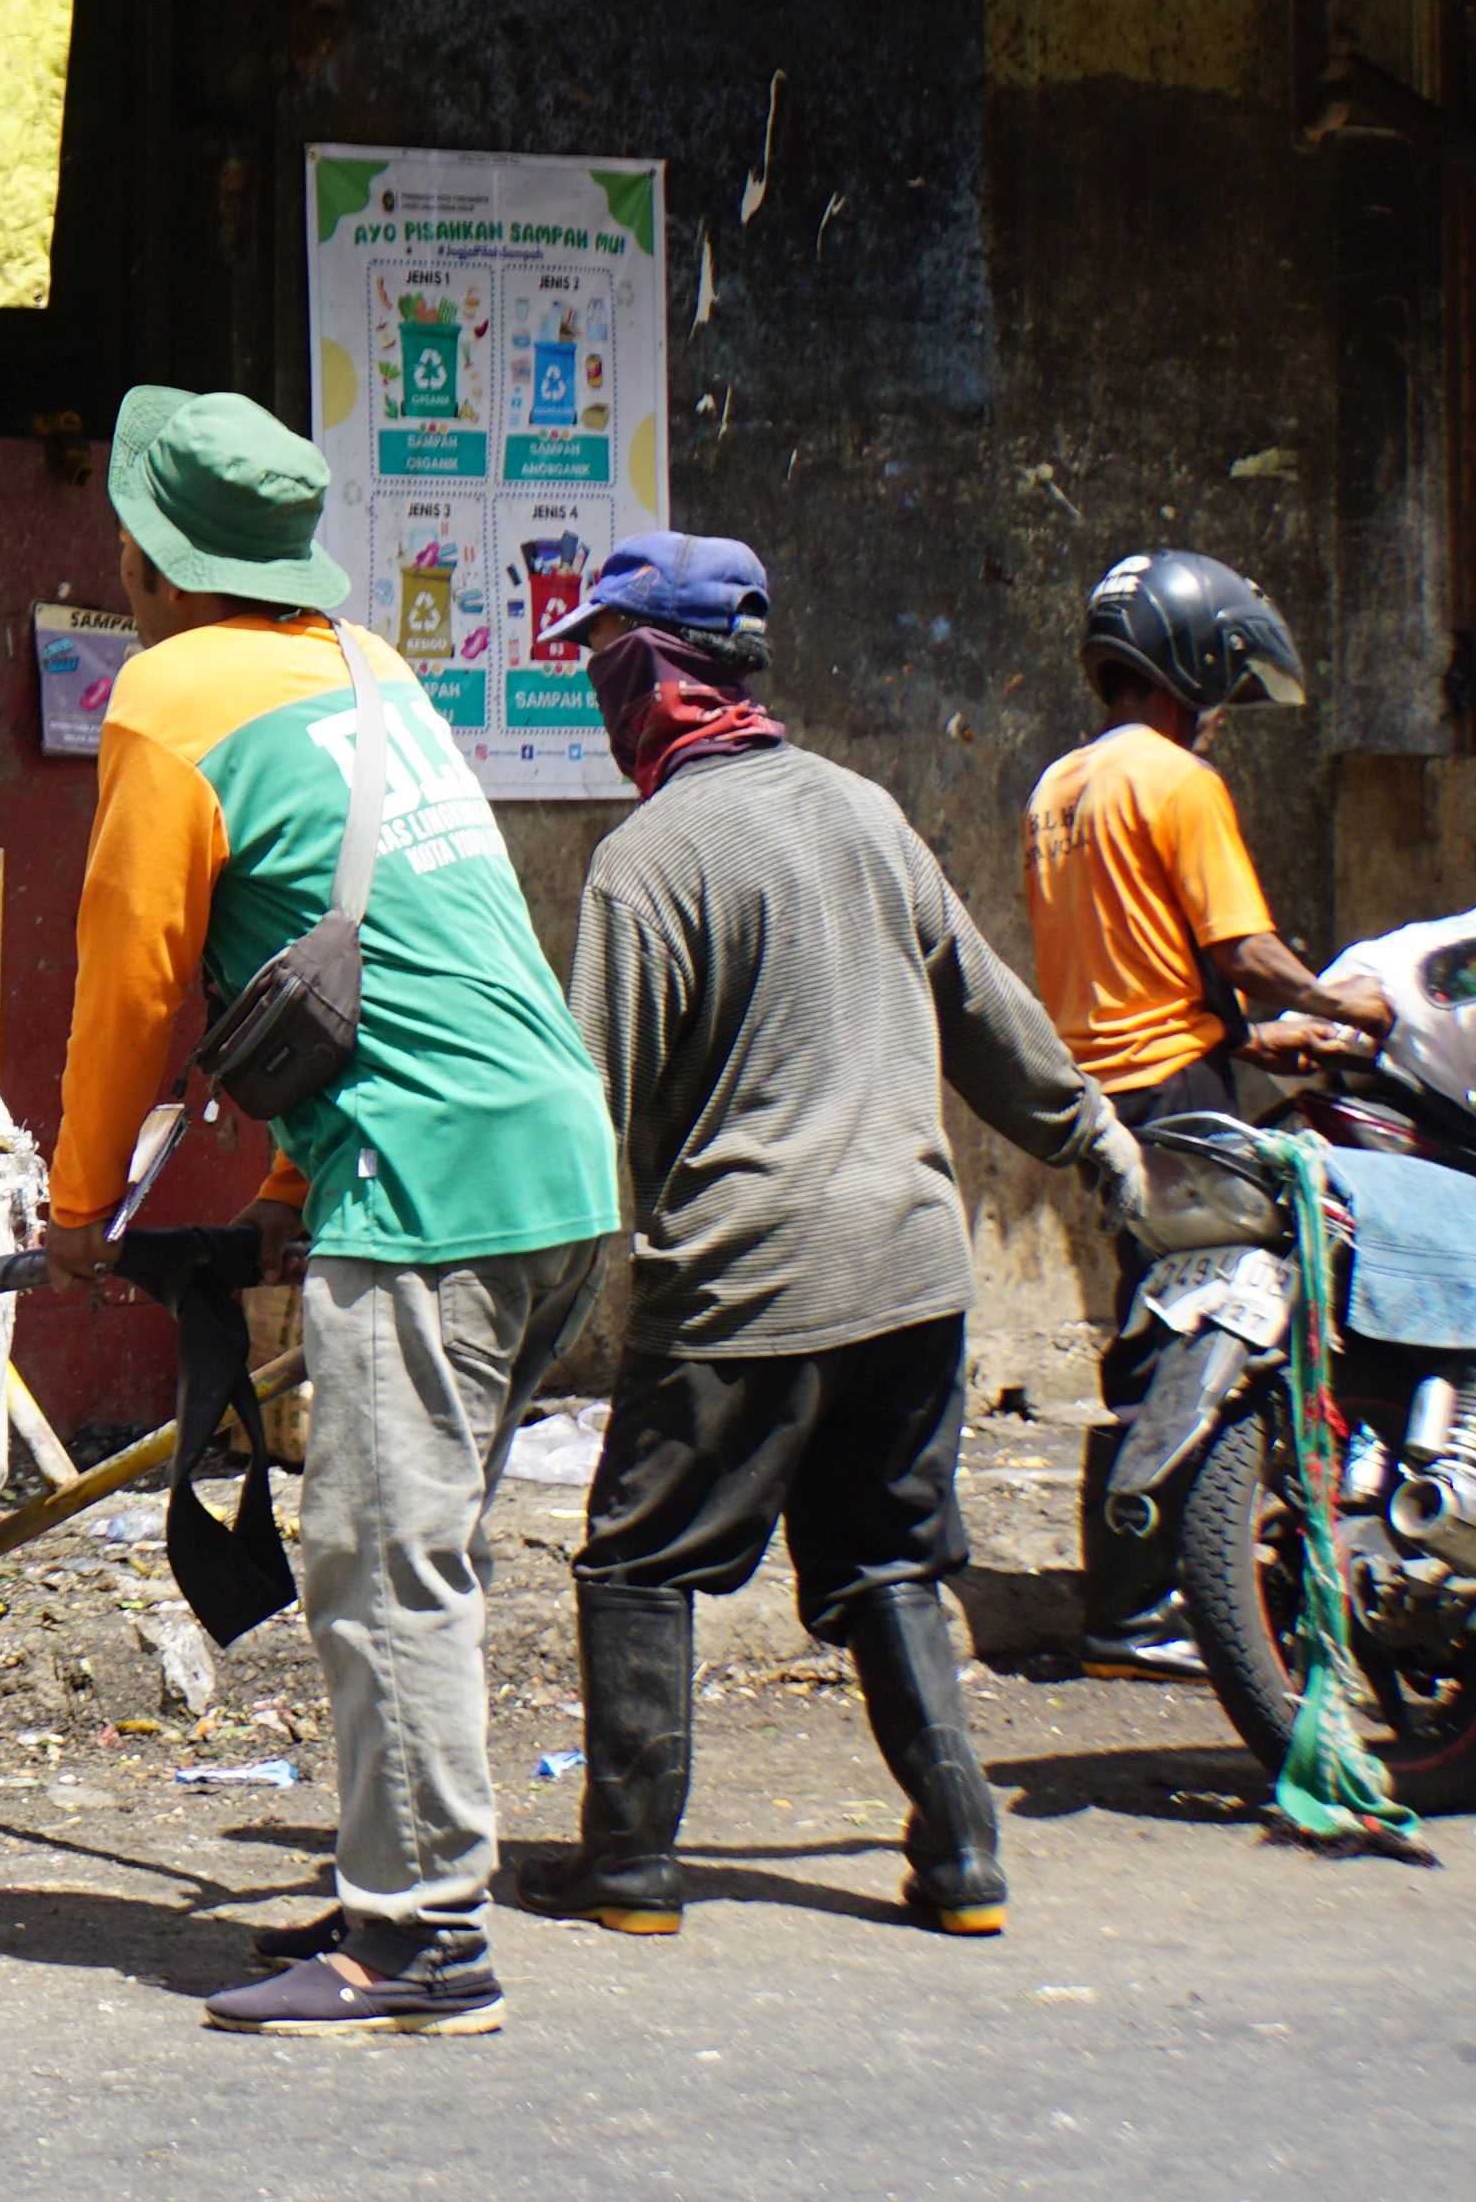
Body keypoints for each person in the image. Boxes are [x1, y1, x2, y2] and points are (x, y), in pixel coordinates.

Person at [36, 388, 622, 2040]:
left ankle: (423, 1941)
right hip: (555, 1168)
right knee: (415, 1547)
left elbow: (131, 987)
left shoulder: (166, 696)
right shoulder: (373, 669)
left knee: (378, 1562)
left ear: (151, 557)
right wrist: (288, 1180)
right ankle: (396, 1874)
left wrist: (80, 1204)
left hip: (426, 1183)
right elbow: (406, 944)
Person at [527, 534, 1147, 1942]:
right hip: (914, 1271)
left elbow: (589, 1108)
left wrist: (525, 1308)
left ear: (661, 673)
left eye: (611, 666)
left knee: (638, 1559)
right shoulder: (866, 811)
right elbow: (988, 1015)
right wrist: (1091, 1138)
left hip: (748, 1276)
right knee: (883, 1560)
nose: (603, 699)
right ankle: (963, 1856)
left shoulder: (649, 859)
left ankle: (627, 1865)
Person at [1022, 548, 1390, 1681]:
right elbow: (1243, 951)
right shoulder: (1179, 783)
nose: (1224, 715)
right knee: (1213, 1328)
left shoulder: (1062, 785)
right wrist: (1339, 1000)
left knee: (1148, 1324)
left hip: (1105, 1098)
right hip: (1178, 1093)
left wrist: (1267, 1040)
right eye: (1224, 685)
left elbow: (1138, 969)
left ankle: (1144, 1595)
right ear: (1183, 663)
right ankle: (1137, 1611)